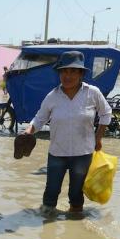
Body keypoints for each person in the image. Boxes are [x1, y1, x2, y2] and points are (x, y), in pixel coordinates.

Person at [23, 50, 111, 216]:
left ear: (81, 74)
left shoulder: (92, 93)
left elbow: (106, 113)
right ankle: (46, 228)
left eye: (72, 71)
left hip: (83, 153)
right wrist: (29, 131)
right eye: (64, 71)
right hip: (57, 152)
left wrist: (98, 139)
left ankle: (75, 225)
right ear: (59, 73)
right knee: (51, 191)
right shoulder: (52, 96)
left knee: (76, 194)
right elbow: (39, 119)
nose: (67, 75)